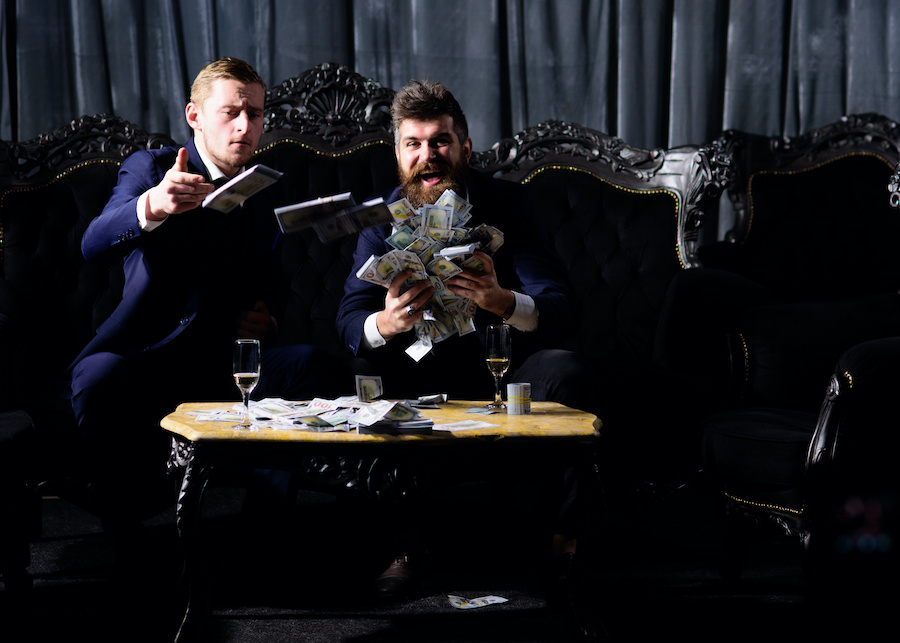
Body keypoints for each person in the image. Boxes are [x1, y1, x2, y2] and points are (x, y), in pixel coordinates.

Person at [336, 79, 594, 598]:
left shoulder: (509, 206)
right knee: (364, 371)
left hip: (501, 374)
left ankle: (564, 544)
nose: (428, 157)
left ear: (465, 149)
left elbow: (562, 307)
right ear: (398, 153)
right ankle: (407, 547)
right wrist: (385, 322)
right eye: (414, 144)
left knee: (567, 369)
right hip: (416, 378)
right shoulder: (382, 219)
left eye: (440, 142)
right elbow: (348, 317)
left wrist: (503, 301)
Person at [65, 57, 331, 521]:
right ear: (195, 116)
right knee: (96, 376)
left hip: (227, 366)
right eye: (231, 112)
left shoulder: (263, 187)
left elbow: (273, 281)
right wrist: (155, 205)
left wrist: (267, 320)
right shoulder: (152, 167)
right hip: (152, 358)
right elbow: (93, 243)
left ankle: (263, 527)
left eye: (256, 114)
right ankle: (134, 524)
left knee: (307, 364)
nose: (246, 126)